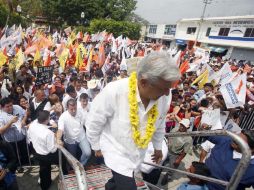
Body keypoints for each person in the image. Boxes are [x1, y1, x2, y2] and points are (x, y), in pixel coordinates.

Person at [86, 52, 180, 190]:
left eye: (169, 88)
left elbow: (159, 123)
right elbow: (94, 121)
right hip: (115, 152)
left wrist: (158, 147)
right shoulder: (114, 91)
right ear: (143, 82)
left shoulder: (164, 96)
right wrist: (95, 146)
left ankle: (109, 187)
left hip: (137, 155)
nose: (167, 93)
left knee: (117, 181)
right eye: (163, 88)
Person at [27, 110, 64, 190]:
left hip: (37, 152)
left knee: (44, 170)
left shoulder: (32, 125)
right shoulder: (48, 133)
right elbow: (52, 150)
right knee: (62, 160)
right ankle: (65, 175)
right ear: (47, 119)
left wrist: (50, 122)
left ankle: (44, 185)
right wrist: (58, 144)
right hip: (47, 155)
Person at [56, 99, 91, 166]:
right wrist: (58, 139)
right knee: (72, 158)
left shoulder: (81, 112)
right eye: (71, 109)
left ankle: (81, 165)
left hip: (81, 137)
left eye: (75, 108)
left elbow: (87, 123)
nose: (74, 111)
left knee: (88, 153)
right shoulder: (63, 117)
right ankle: (73, 169)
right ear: (67, 108)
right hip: (70, 140)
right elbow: (60, 129)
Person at [161, 119, 193, 185]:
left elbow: (185, 151)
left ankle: (168, 177)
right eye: (181, 125)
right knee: (162, 161)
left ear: (187, 127)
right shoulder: (174, 129)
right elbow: (169, 137)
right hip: (167, 150)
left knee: (172, 168)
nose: (181, 127)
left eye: (183, 126)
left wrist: (179, 159)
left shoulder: (188, 139)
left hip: (175, 154)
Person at [0, 98, 29, 165]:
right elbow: (1, 131)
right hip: (11, 141)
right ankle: (17, 166)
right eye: (7, 106)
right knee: (14, 157)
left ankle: (26, 163)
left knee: (25, 153)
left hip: (22, 137)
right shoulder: (1, 116)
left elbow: (25, 114)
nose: (10, 108)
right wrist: (10, 122)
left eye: (11, 105)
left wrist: (24, 120)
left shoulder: (17, 107)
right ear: (2, 107)